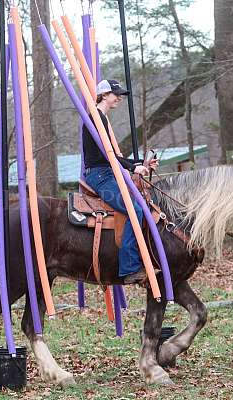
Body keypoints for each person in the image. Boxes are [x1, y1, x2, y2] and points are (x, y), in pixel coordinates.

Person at [82, 79, 159, 284]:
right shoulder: (96, 118)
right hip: (100, 175)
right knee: (136, 211)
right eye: (116, 94)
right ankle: (129, 268)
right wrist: (134, 167)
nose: (119, 98)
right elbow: (107, 156)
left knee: (142, 205)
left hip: (106, 172)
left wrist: (140, 163)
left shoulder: (101, 118)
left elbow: (111, 155)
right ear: (104, 94)